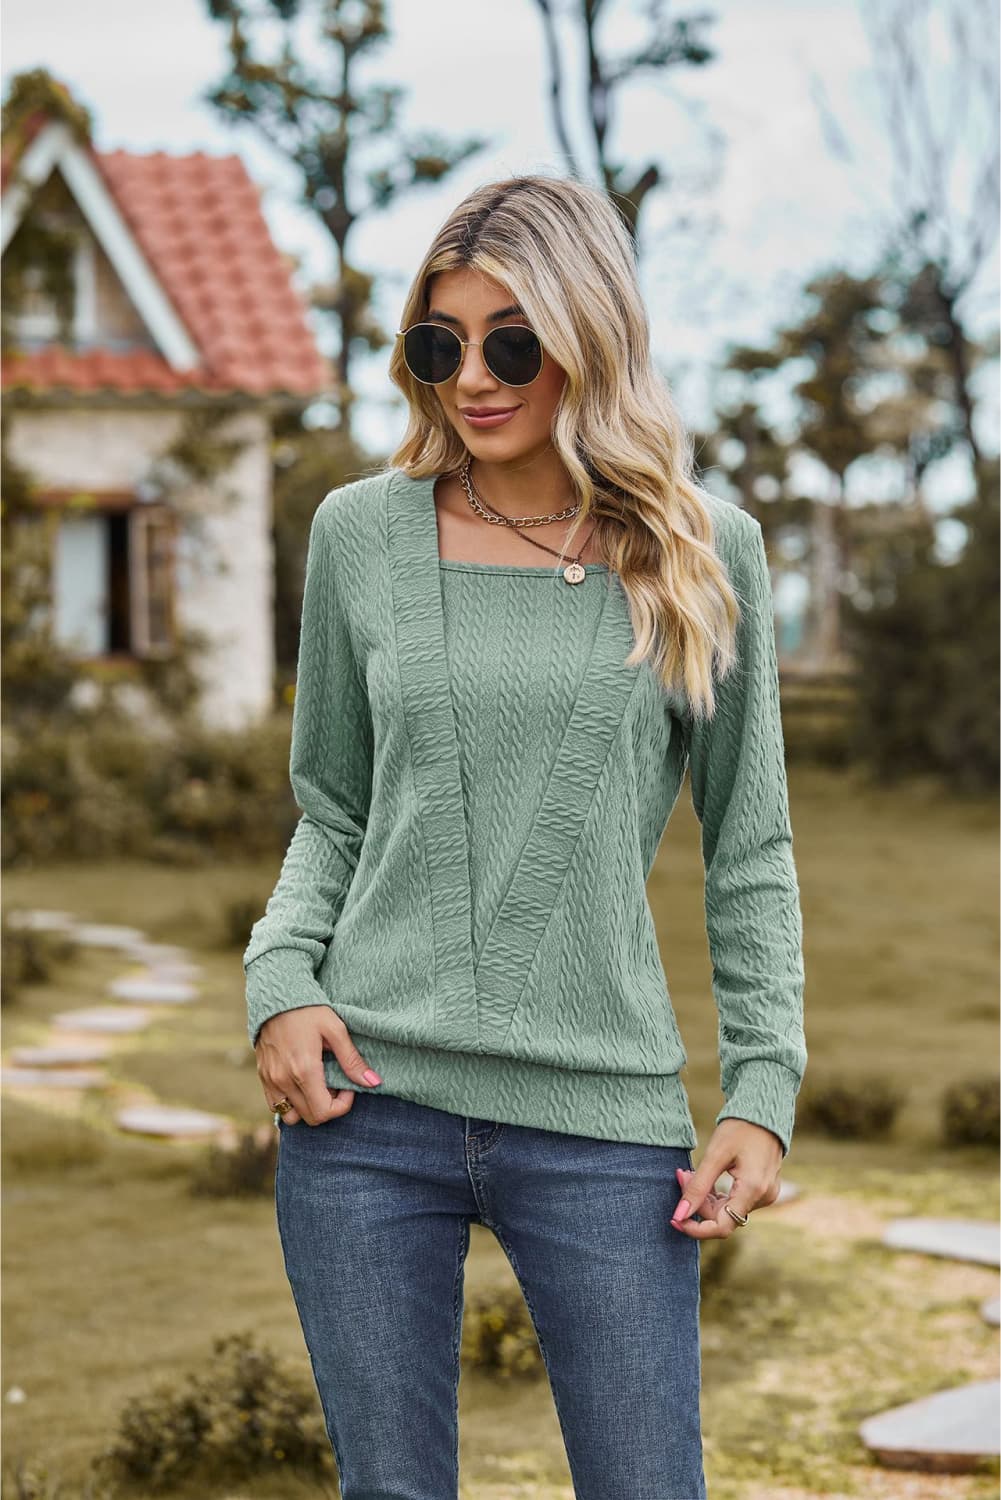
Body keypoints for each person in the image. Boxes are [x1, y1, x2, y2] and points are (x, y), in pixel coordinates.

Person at [245, 173, 807, 1500]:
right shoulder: (359, 536)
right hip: (364, 1106)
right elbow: (333, 807)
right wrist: (279, 980)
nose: (471, 381)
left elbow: (750, 846)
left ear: (589, 339)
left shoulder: (702, 552)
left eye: (511, 344)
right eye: (438, 345)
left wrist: (762, 1090)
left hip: (602, 1122)